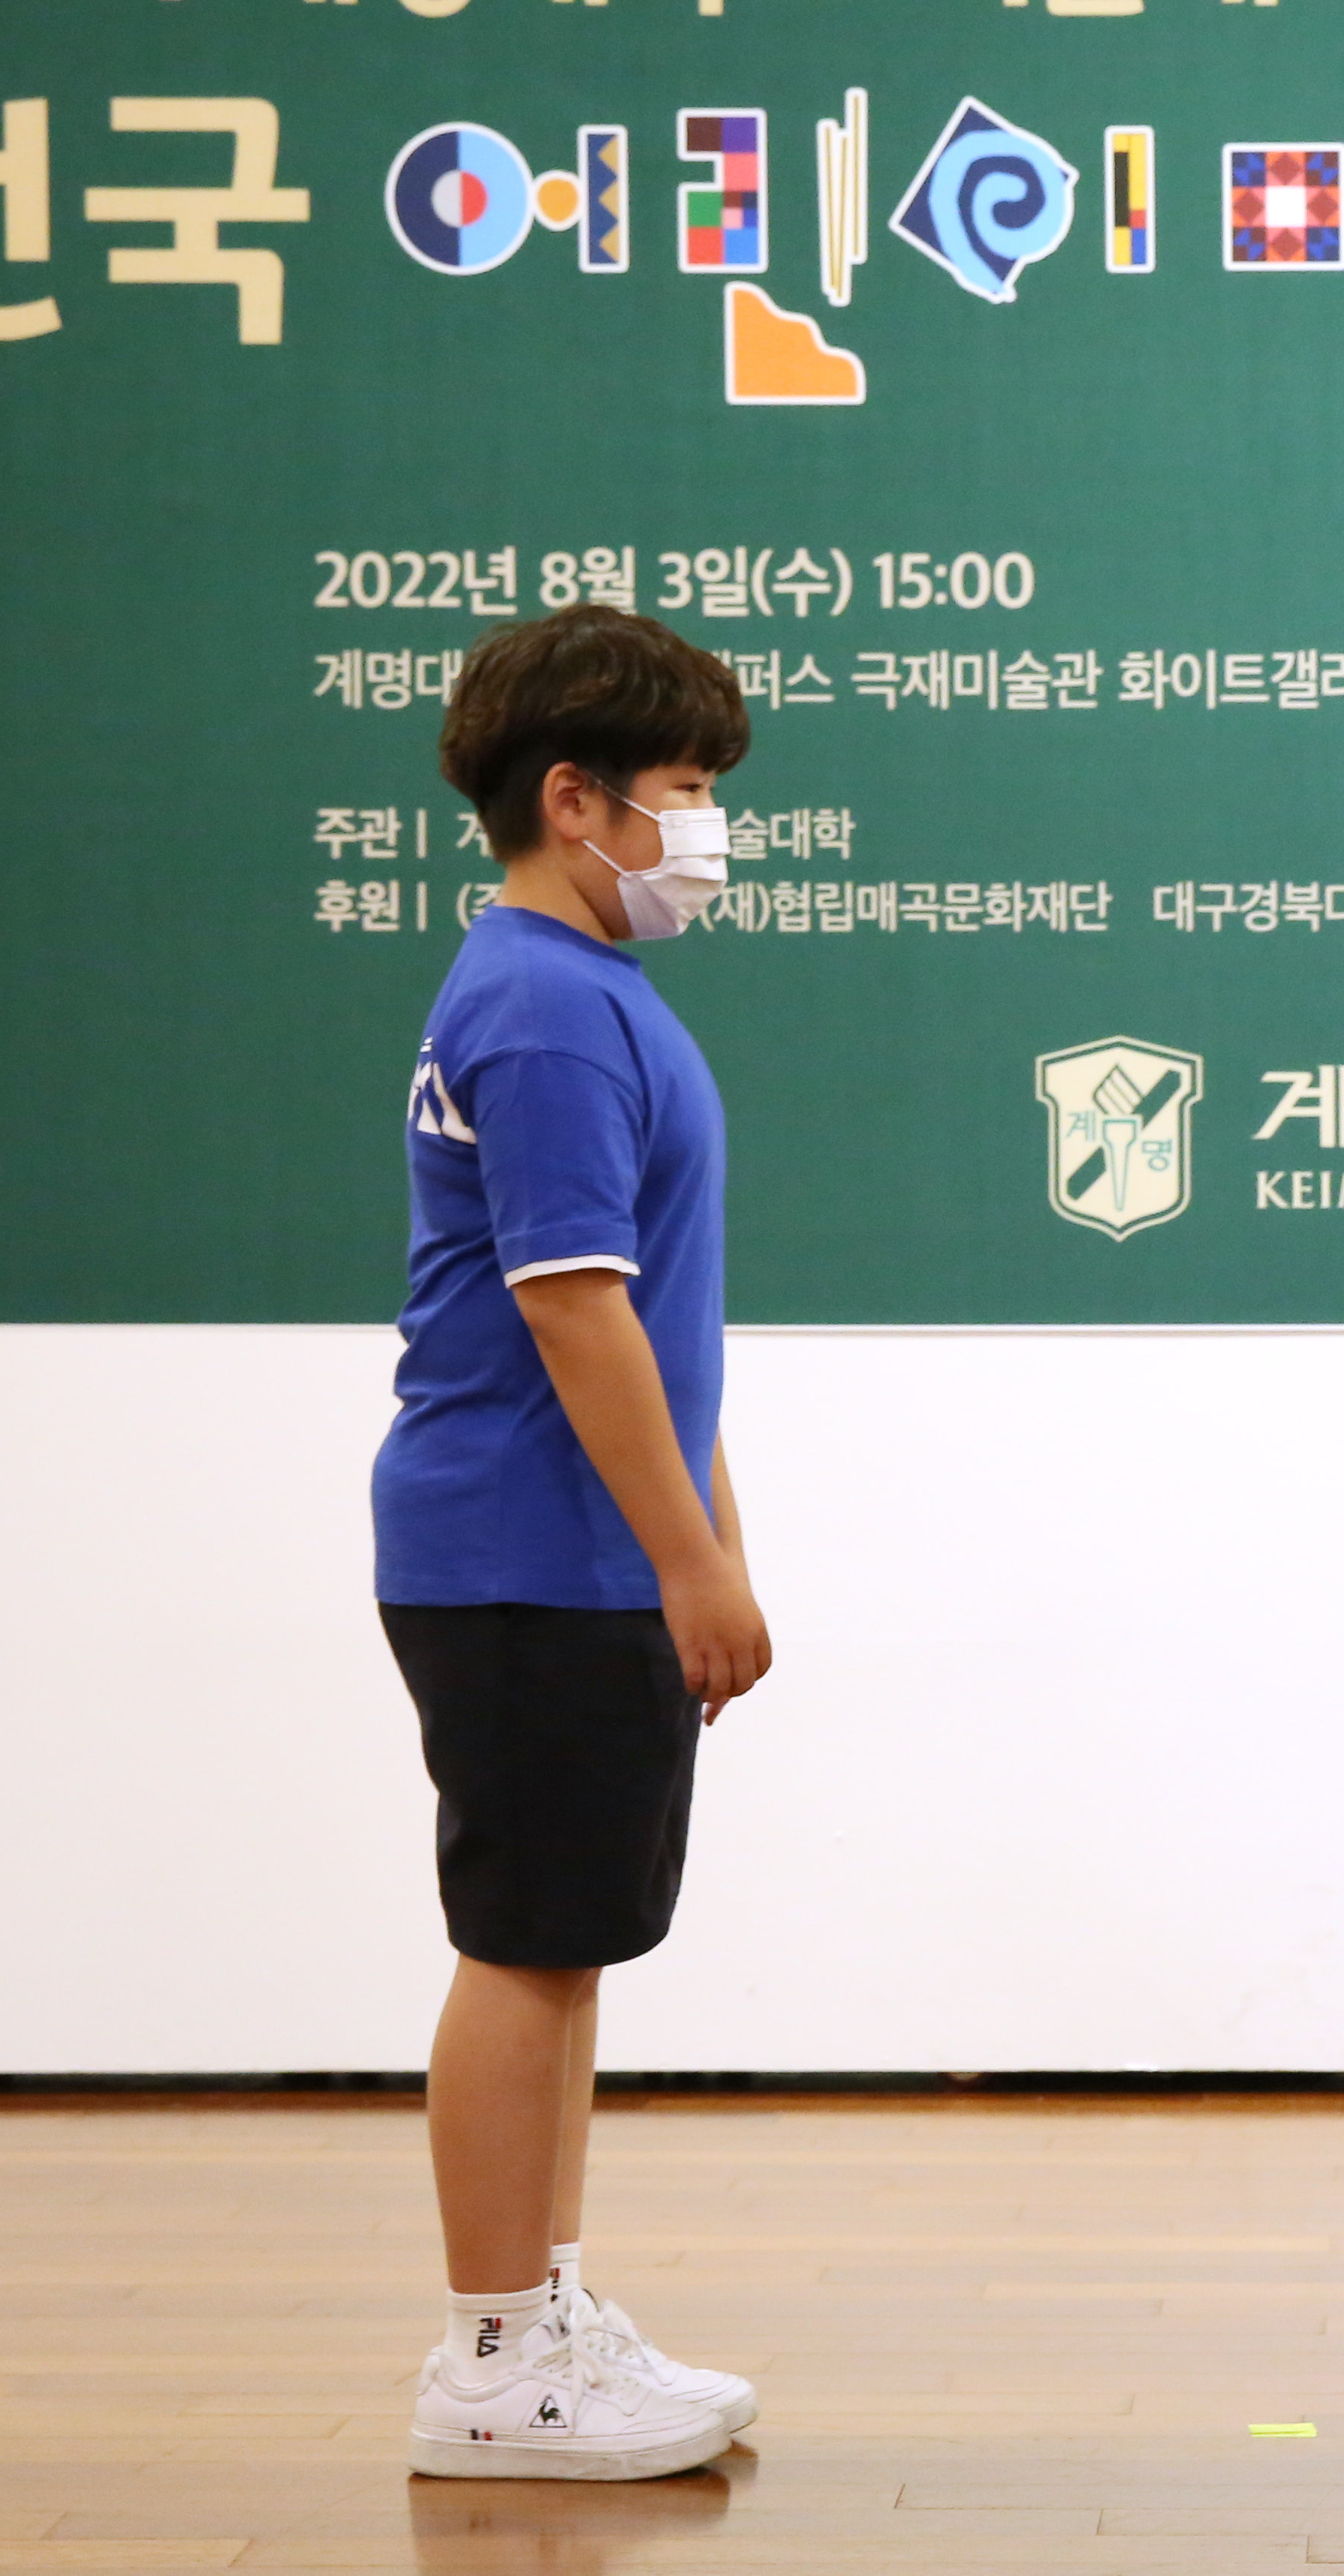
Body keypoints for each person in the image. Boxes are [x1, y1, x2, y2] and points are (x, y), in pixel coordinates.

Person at [370, 603, 778, 2480]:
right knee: (524, 1944)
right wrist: (690, 1559)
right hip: (526, 1545)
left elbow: (655, 1311)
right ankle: (489, 2356)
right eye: (683, 787)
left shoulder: (585, 987)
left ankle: (543, 2309)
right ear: (573, 799)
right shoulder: (541, 1001)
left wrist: (712, 1532)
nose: (707, 826)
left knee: (568, 1942)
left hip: (570, 1545)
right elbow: (571, 1301)